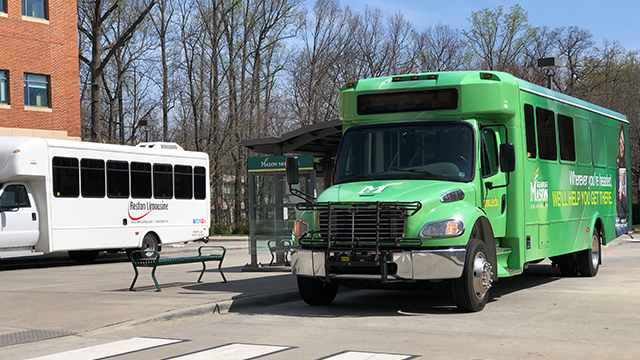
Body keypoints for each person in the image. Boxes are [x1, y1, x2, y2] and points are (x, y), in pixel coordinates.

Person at [615, 123, 628, 236]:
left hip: (622, 211)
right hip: (618, 209)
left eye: (623, 143)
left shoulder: (623, 166)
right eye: (620, 143)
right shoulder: (615, 166)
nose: (622, 146)